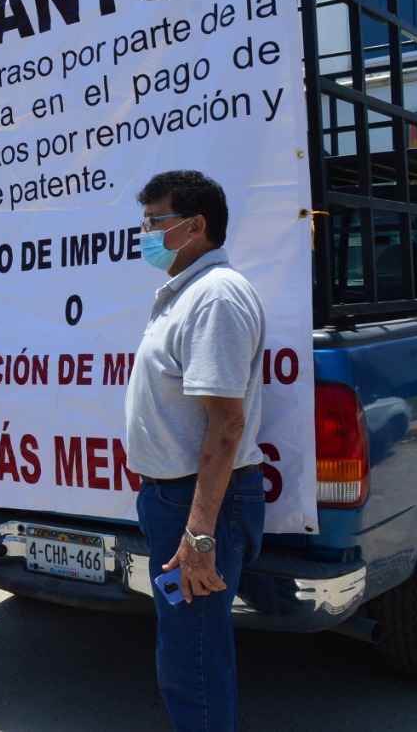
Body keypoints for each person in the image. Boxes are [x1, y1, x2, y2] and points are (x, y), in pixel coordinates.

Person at [124, 170, 267, 731]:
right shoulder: (186, 293)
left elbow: (226, 422)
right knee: (186, 650)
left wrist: (199, 533)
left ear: (195, 225)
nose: (146, 233)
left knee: (193, 661)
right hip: (174, 499)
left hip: (198, 504)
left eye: (156, 221)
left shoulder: (215, 297)